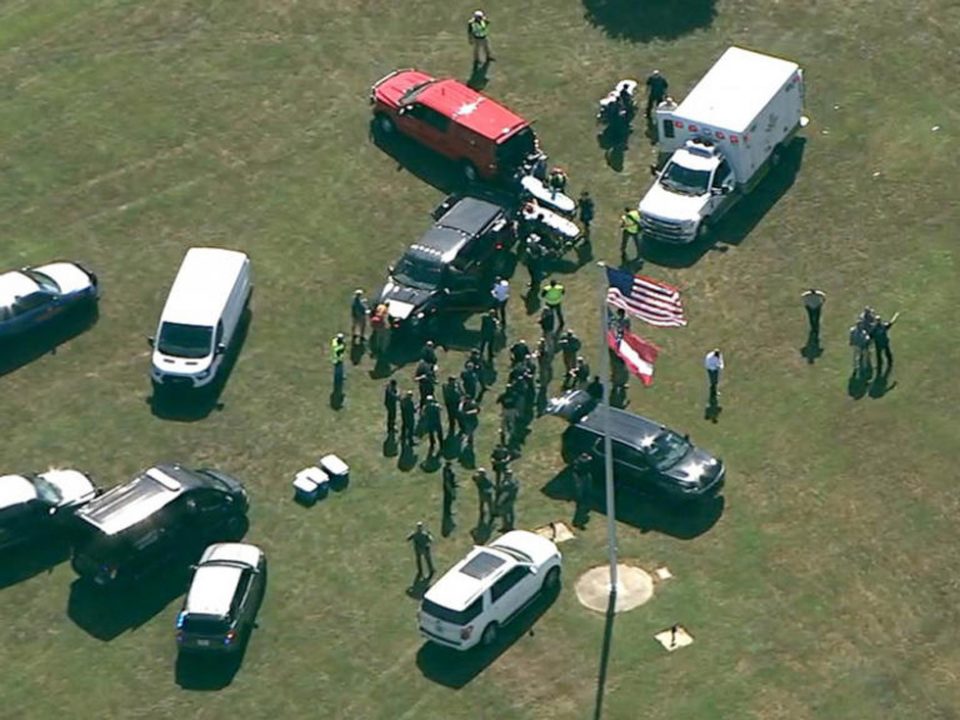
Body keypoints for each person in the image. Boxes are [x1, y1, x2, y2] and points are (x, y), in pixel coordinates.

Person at [572, 452, 592, 528]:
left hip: (585, 476)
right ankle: (578, 519)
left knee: (586, 493)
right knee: (581, 498)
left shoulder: (581, 462)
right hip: (581, 478)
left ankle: (583, 505)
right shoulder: (579, 462)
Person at [442, 460, 458, 529]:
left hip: (449, 487)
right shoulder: (447, 472)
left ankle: (449, 512)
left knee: (449, 501)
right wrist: (451, 491)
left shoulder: (446, 470)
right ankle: (448, 513)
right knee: (448, 501)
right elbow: (447, 482)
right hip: (449, 488)